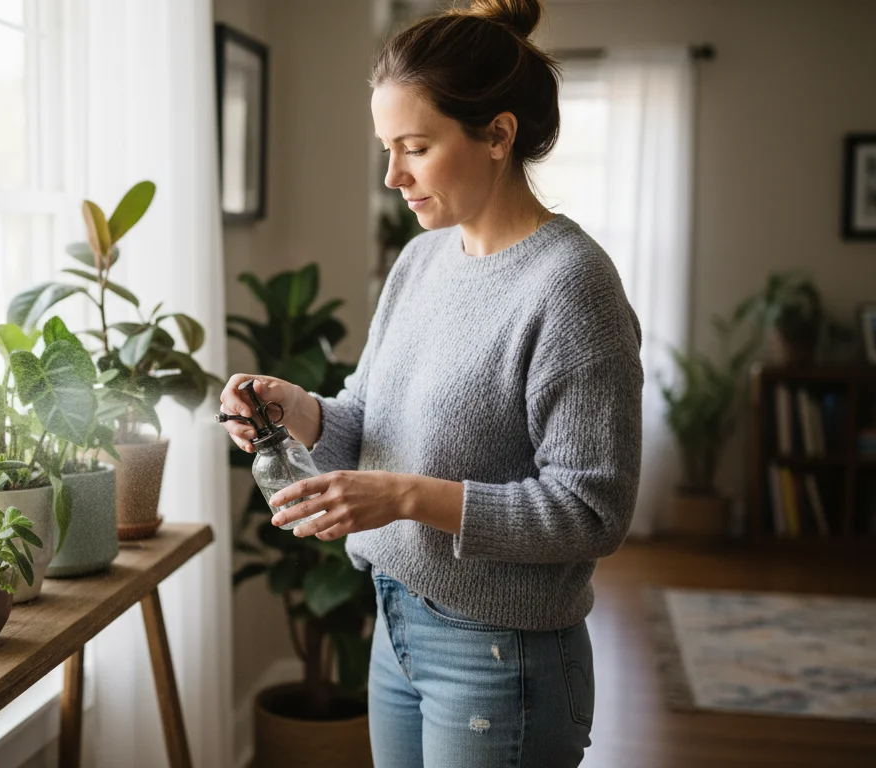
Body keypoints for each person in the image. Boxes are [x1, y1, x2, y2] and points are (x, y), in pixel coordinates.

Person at [217, 0, 643, 765]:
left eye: (414, 146)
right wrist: (300, 410)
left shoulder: (571, 285)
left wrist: (410, 496)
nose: (392, 175)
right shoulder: (421, 261)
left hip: (500, 658)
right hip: (396, 624)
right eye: (387, 147)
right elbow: (372, 419)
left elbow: (592, 511)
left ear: (497, 136)